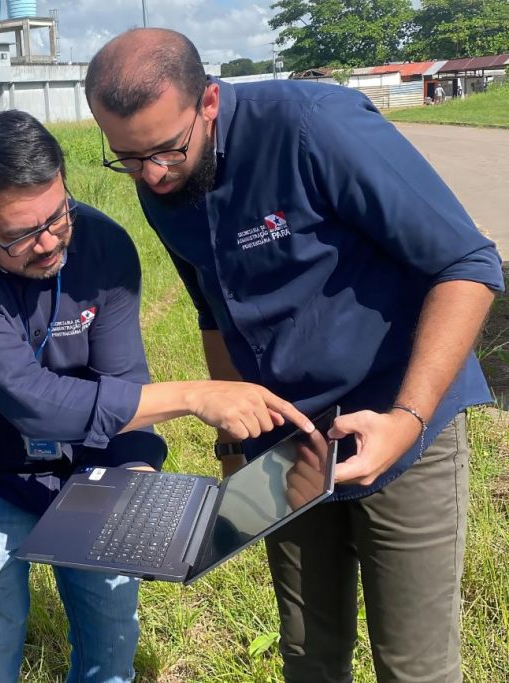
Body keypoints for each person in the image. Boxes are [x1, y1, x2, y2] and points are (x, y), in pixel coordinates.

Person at [85, 28, 504, 683]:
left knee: (414, 665)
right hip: (284, 448)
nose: (153, 175)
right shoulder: (157, 171)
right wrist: (232, 445)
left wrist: (409, 417)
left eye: (166, 151)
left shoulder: (313, 128)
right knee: (309, 653)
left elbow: (467, 263)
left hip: (397, 418)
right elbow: (209, 307)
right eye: (129, 158)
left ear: (210, 103)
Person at [0, 109, 311, 683]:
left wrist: (137, 474)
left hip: (90, 470)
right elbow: (33, 402)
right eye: (21, 234)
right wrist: (196, 394)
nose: (49, 244)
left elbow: (123, 377)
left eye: (58, 216)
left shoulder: (103, 245)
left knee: (112, 628)